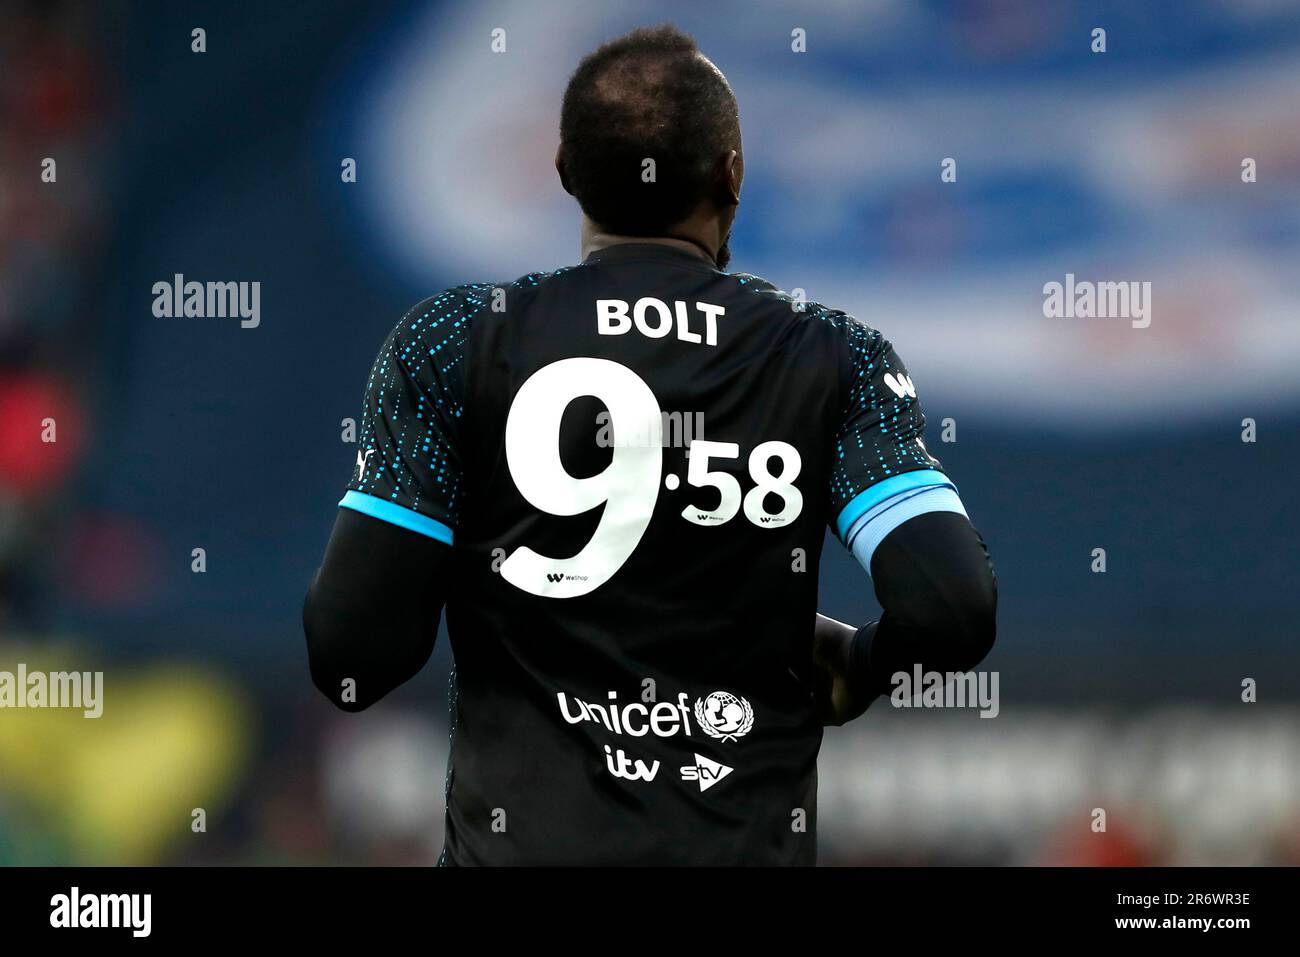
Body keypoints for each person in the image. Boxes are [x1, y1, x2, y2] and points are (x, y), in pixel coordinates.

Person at [304, 23, 996, 865]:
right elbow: (953, 609)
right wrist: (861, 660)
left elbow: (353, 655)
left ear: (563, 172)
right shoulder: (829, 355)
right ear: (732, 175)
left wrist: (492, 568)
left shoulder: (456, 344)